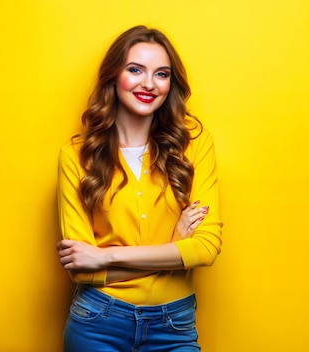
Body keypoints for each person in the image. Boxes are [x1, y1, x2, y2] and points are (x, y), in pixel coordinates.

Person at [56, 25, 222, 352]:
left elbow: (205, 249)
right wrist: (175, 249)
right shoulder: (74, 155)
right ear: (113, 76)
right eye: (135, 70)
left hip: (174, 325)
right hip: (97, 321)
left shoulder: (195, 144)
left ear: (170, 84)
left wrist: (106, 257)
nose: (148, 83)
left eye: (161, 74)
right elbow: (80, 270)